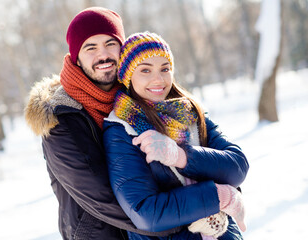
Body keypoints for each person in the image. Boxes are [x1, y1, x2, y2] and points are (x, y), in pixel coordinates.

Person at [24, 8, 180, 240]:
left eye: (110, 43)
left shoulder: (140, 95)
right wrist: (183, 219)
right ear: (76, 57)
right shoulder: (61, 119)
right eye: (91, 48)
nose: (104, 55)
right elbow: (100, 196)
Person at [103, 32, 249, 240]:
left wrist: (182, 157)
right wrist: (220, 196)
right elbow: (146, 213)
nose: (158, 79)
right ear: (128, 76)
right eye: (145, 70)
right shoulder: (120, 129)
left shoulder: (189, 111)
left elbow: (237, 167)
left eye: (165, 68)